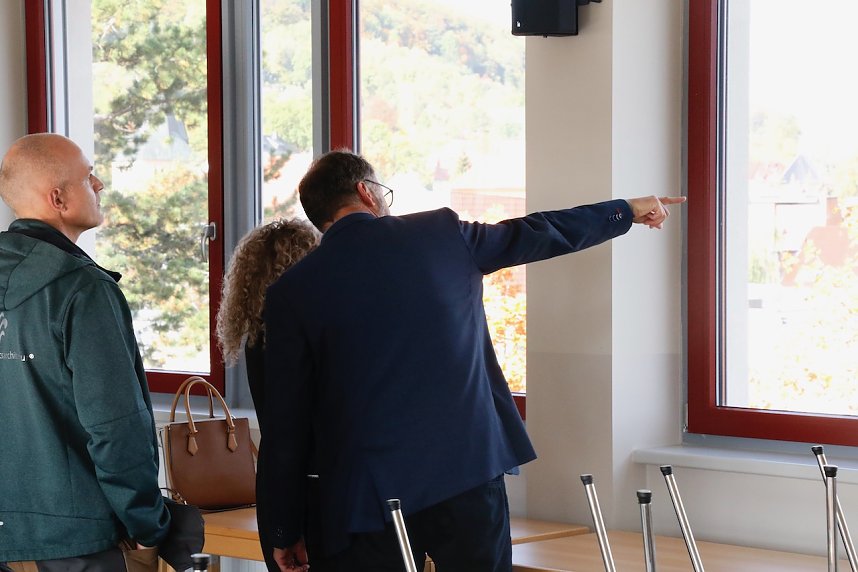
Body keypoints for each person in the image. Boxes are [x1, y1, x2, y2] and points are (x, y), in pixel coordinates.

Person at [262, 149, 686, 572]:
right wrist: (624, 210)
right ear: (366, 192)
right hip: (466, 471)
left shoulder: (291, 292)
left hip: (364, 496)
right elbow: (540, 231)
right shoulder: (440, 234)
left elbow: (285, 428)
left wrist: (283, 529)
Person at [0, 134, 170, 569]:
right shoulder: (83, 289)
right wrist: (146, 526)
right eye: (88, 176)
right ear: (58, 198)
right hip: (76, 543)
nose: (99, 185)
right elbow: (116, 426)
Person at [215, 218, 320, 572]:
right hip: (308, 495)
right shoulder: (300, 337)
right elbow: (288, 434)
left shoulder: (259, 337)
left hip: (281, 494)